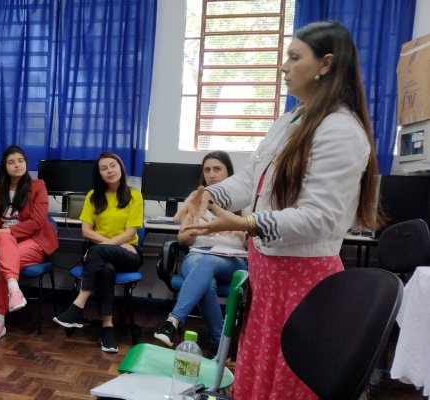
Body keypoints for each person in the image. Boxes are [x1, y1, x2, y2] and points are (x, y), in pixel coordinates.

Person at [176, 21, 380, 399]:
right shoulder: (291, 120)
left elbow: (321, 219)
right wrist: (208, 194)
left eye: (293, 57)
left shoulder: (340, 130)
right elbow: (252, 179)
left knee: (292, 382)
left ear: (325, 64)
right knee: (262, 378)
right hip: (269, 279)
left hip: (302, 283)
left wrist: (247, 222)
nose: (283, 67)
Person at [152, 151, 247, 349]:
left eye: (217, 169)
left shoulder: (243, 201)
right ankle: (219, 343)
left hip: (232, 260)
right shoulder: (196, 200)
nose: (212, 174)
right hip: (198, 255)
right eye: (207, 170)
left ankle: (172, 321)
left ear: (228, 172)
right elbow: (182, 239)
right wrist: (196, 230)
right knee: (206, 279)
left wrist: (232, 228)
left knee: (209, 261)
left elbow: (252, 239)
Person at [53, 151, 144, 353]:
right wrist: (110, 246)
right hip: (107, 251)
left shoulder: (134, 195)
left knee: (99, 254)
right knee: (106, 269)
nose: (109, 171)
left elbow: (131, 232)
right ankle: (107, 328)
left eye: (113, 165)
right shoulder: (93, 196)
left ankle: (78, 305)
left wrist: (105, 247)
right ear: (99, 174)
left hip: (129, 252)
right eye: (104, 168)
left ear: (121, 167)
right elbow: (85, 231)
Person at [0, 146, 59, 343]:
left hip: (32, 242)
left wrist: (8, 231)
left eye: (20, 160)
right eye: (11, 162)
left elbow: (37, 222)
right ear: (4, 166)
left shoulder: (38, 186)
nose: (17, 165)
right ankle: (14, 290)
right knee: (5, 243)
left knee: (3, 264)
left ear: (26, 163)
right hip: (2, 241)